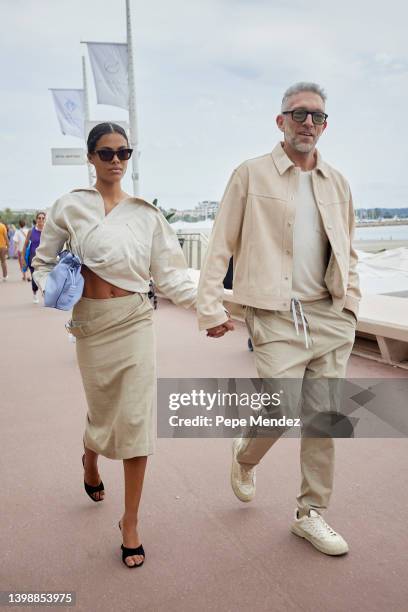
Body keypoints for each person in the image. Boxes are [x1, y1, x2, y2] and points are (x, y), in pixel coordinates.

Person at [197, 82, 360, 556]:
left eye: (318, 117)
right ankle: (245, 455)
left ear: (325, 126)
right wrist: (210, 307)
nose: (309, 124)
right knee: (282, 409)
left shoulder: (339, 183)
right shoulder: (250, 175)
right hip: (275, 318)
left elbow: (349, 252)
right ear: (281, 121)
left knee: (324, 419)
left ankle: (311, 514)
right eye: (299, 115)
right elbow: (220, 244)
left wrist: (352, 305)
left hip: (330, 317)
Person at [32, 122, 196, 568]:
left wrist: (211, 310)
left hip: (135, 320)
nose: (117, 161)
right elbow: (43, 261)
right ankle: (90, 458)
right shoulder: (70, 206)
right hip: (91, 323)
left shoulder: (146, 213)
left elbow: (172, 273)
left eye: (124, 152)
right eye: (106, 154)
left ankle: (130, 522)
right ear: (91, 158)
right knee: (104, 412)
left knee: (137, 420)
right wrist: (51, 288)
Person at [22, 212, 46, 302]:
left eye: (43, 218)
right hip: (33, 258)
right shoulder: (31, 231)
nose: (41, 220)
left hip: (44, 259)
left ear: (45, 219)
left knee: (45, 276)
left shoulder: (47, 231)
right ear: (36, 219)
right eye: (39, 218)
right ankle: (35, 293)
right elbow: (25, 245)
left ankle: (44, 292)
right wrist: (23, 258)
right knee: (35, 278)